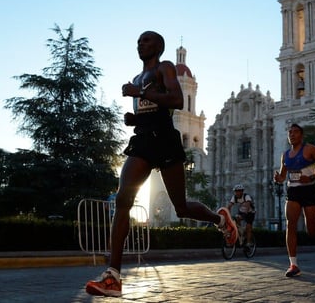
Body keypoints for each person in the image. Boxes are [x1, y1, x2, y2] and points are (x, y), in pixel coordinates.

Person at [85, 31, 237, 297]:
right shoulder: (136, 78)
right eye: (139, 40)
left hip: (165, 140)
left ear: (159, 47)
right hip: (143, 140)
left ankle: (219, 219)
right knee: (123, 199)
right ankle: (113, 277)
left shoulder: (164, 68)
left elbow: (176, 101)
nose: (140, 43)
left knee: (181, 206)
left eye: (146, 40)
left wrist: (140, 92)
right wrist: (134, 119)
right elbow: (151, 112)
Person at [273, 123, 315, 277]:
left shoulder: (310, 149)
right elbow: (283, 176)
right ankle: (293, 264)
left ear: (301, 135)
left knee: (311, 231)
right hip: (293, 191)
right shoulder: (285, 155)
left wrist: (310, 177)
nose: (291, 135)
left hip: (309, 190)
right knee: (291, 224)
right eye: (290, 132)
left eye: (295, 132)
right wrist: (279, 178)